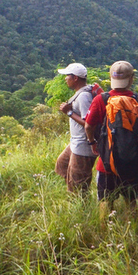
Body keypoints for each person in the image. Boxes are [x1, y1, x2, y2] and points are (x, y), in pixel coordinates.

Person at [85, 61, 138, 222]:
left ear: (111, 78)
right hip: (134, 161)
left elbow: (88, 126)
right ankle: (132, 233)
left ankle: (105, 235)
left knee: (105, 201)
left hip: (107, 162)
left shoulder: (101, 100)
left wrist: (93, 143)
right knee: (131, 201)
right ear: (131, 79)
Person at [54, 63, 101, 196]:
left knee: (78, 183)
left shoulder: (83, 97)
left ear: (75, 78)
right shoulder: (80, 93)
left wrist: (69, 113)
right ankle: (73, 190)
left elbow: (89, 123)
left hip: (83, 144)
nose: (65, 79)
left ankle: (80, 203)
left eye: (67, 76)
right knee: (62, 165)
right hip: (76, 142)